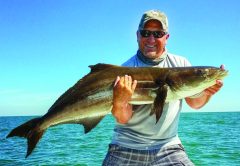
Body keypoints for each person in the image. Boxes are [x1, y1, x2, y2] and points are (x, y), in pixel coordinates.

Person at [102, 10, 224, 166]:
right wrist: (119, 101)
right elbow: (123, 118)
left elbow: (194, 103)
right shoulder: (125, 71)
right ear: (137, 35)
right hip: (125, 146)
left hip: (168, 146)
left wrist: (207, 92)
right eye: (146, 33)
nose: (151, 39)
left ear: (167, 37)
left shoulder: (181, 64)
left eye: (158, 34)